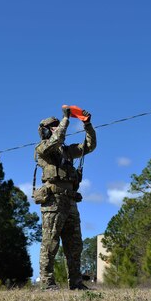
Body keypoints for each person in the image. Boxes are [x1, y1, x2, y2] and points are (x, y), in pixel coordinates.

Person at [34, 106, 96, 290]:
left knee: (74, 245)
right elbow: (56, 139)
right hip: (53, 202)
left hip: (70, 201)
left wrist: (87, 125)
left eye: (57, 124)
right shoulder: (43, 148)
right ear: (45, 131)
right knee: (50, 243)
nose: (56, 127)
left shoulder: (67, 152)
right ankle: (47, 283)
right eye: (52, 126)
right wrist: (66, 120)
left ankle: (76, 282)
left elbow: (89, 146)